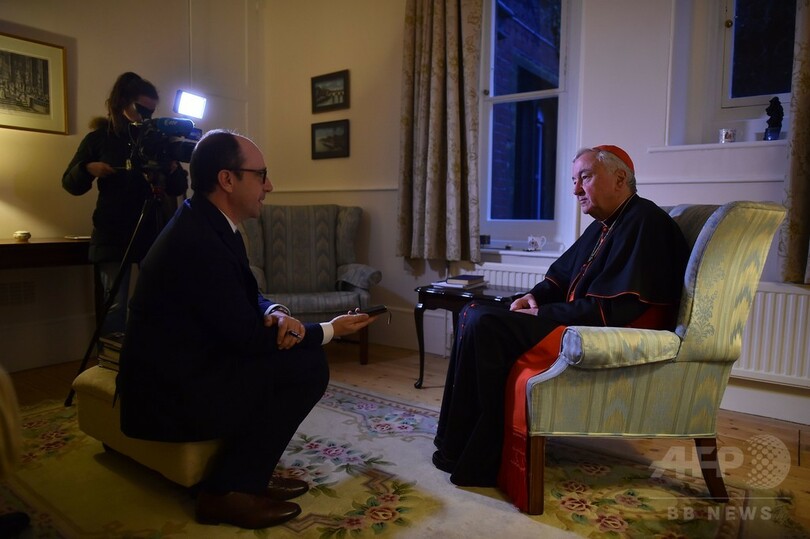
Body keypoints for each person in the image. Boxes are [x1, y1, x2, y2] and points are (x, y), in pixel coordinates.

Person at [116, 129, 378, 529]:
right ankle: (226, 492)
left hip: (191, 366)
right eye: (261, 175)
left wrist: (275, 310)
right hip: (167, 394)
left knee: (300, 359)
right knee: (307, 366)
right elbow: (248, 340)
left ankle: (251, 473)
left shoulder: (209, 221)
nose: (269, 186)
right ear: (227, 179)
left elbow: (248, 293)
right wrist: (330, 330)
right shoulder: (199, 240)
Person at [432, 145, 690, 509]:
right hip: (580, 320)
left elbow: (617, 310)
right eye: (574, 180)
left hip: (602, 334)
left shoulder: (646, 222)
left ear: (620, 178)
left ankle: (483, 459)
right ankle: (455, 444)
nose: (575, 190)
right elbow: (561, 277)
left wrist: (543, 314)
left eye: (585, 177)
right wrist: (532, 297)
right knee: (473, 311)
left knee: (485, 322)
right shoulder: (603, 225)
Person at [62, 72, 188, 337]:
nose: (147, 117)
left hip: (153, 230)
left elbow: (177, 188)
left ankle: (148, 355)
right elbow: (70, 184)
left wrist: (174, 169)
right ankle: (110, 359)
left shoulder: (157, 138)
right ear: (122, 103)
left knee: (156, 300)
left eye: (151, 111)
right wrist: (88, 168)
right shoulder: (99, 138)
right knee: (114, 304)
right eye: (141, 109)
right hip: (113, 232)